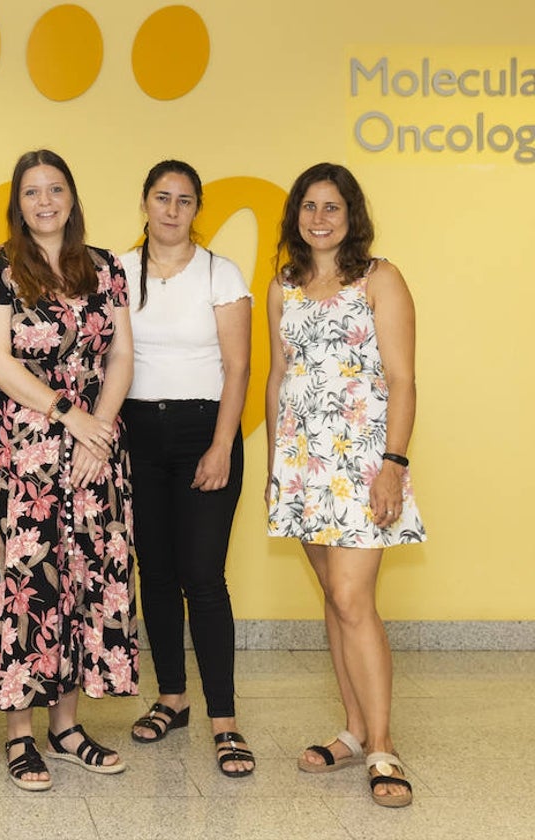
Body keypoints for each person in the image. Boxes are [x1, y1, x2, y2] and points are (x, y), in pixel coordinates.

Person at [0, 149, 137, 792]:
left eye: (56, 189)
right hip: (15, 448)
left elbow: (121, 359)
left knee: (82, 577)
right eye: (33, 192)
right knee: (22, 581)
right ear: (18, 204)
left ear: (72, 197)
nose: (46, 201)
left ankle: (68, 727)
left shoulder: (106, 267)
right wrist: (68, 415)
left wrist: (99, 432)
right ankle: (20, 733)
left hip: (93, 448)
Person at [266, 162, 425, 808]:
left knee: (355, 598)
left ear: (351, 215)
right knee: (334, 597)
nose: (320, 218)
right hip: (303, 470)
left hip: (364, 467)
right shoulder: (285, 286)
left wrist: (394, 463)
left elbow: (404, 379)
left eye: (332, 207)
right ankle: (354, 731)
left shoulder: (380, 279)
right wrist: (280, 469)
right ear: (296, 216)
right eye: (309, 206)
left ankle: (383, 744)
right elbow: (279, 378)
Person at [119, 160, 255, 777]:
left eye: (184, 200)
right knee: (157, 570)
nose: (172, 210)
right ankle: (171, 698)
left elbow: (239, 367)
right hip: (137, 436)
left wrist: (223, 444)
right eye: (161, 197)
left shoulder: (220, 274)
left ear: (197, 209)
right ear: (144, 203)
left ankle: (224, 719)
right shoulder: (118, 271)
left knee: (202, 575)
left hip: (207, 433)